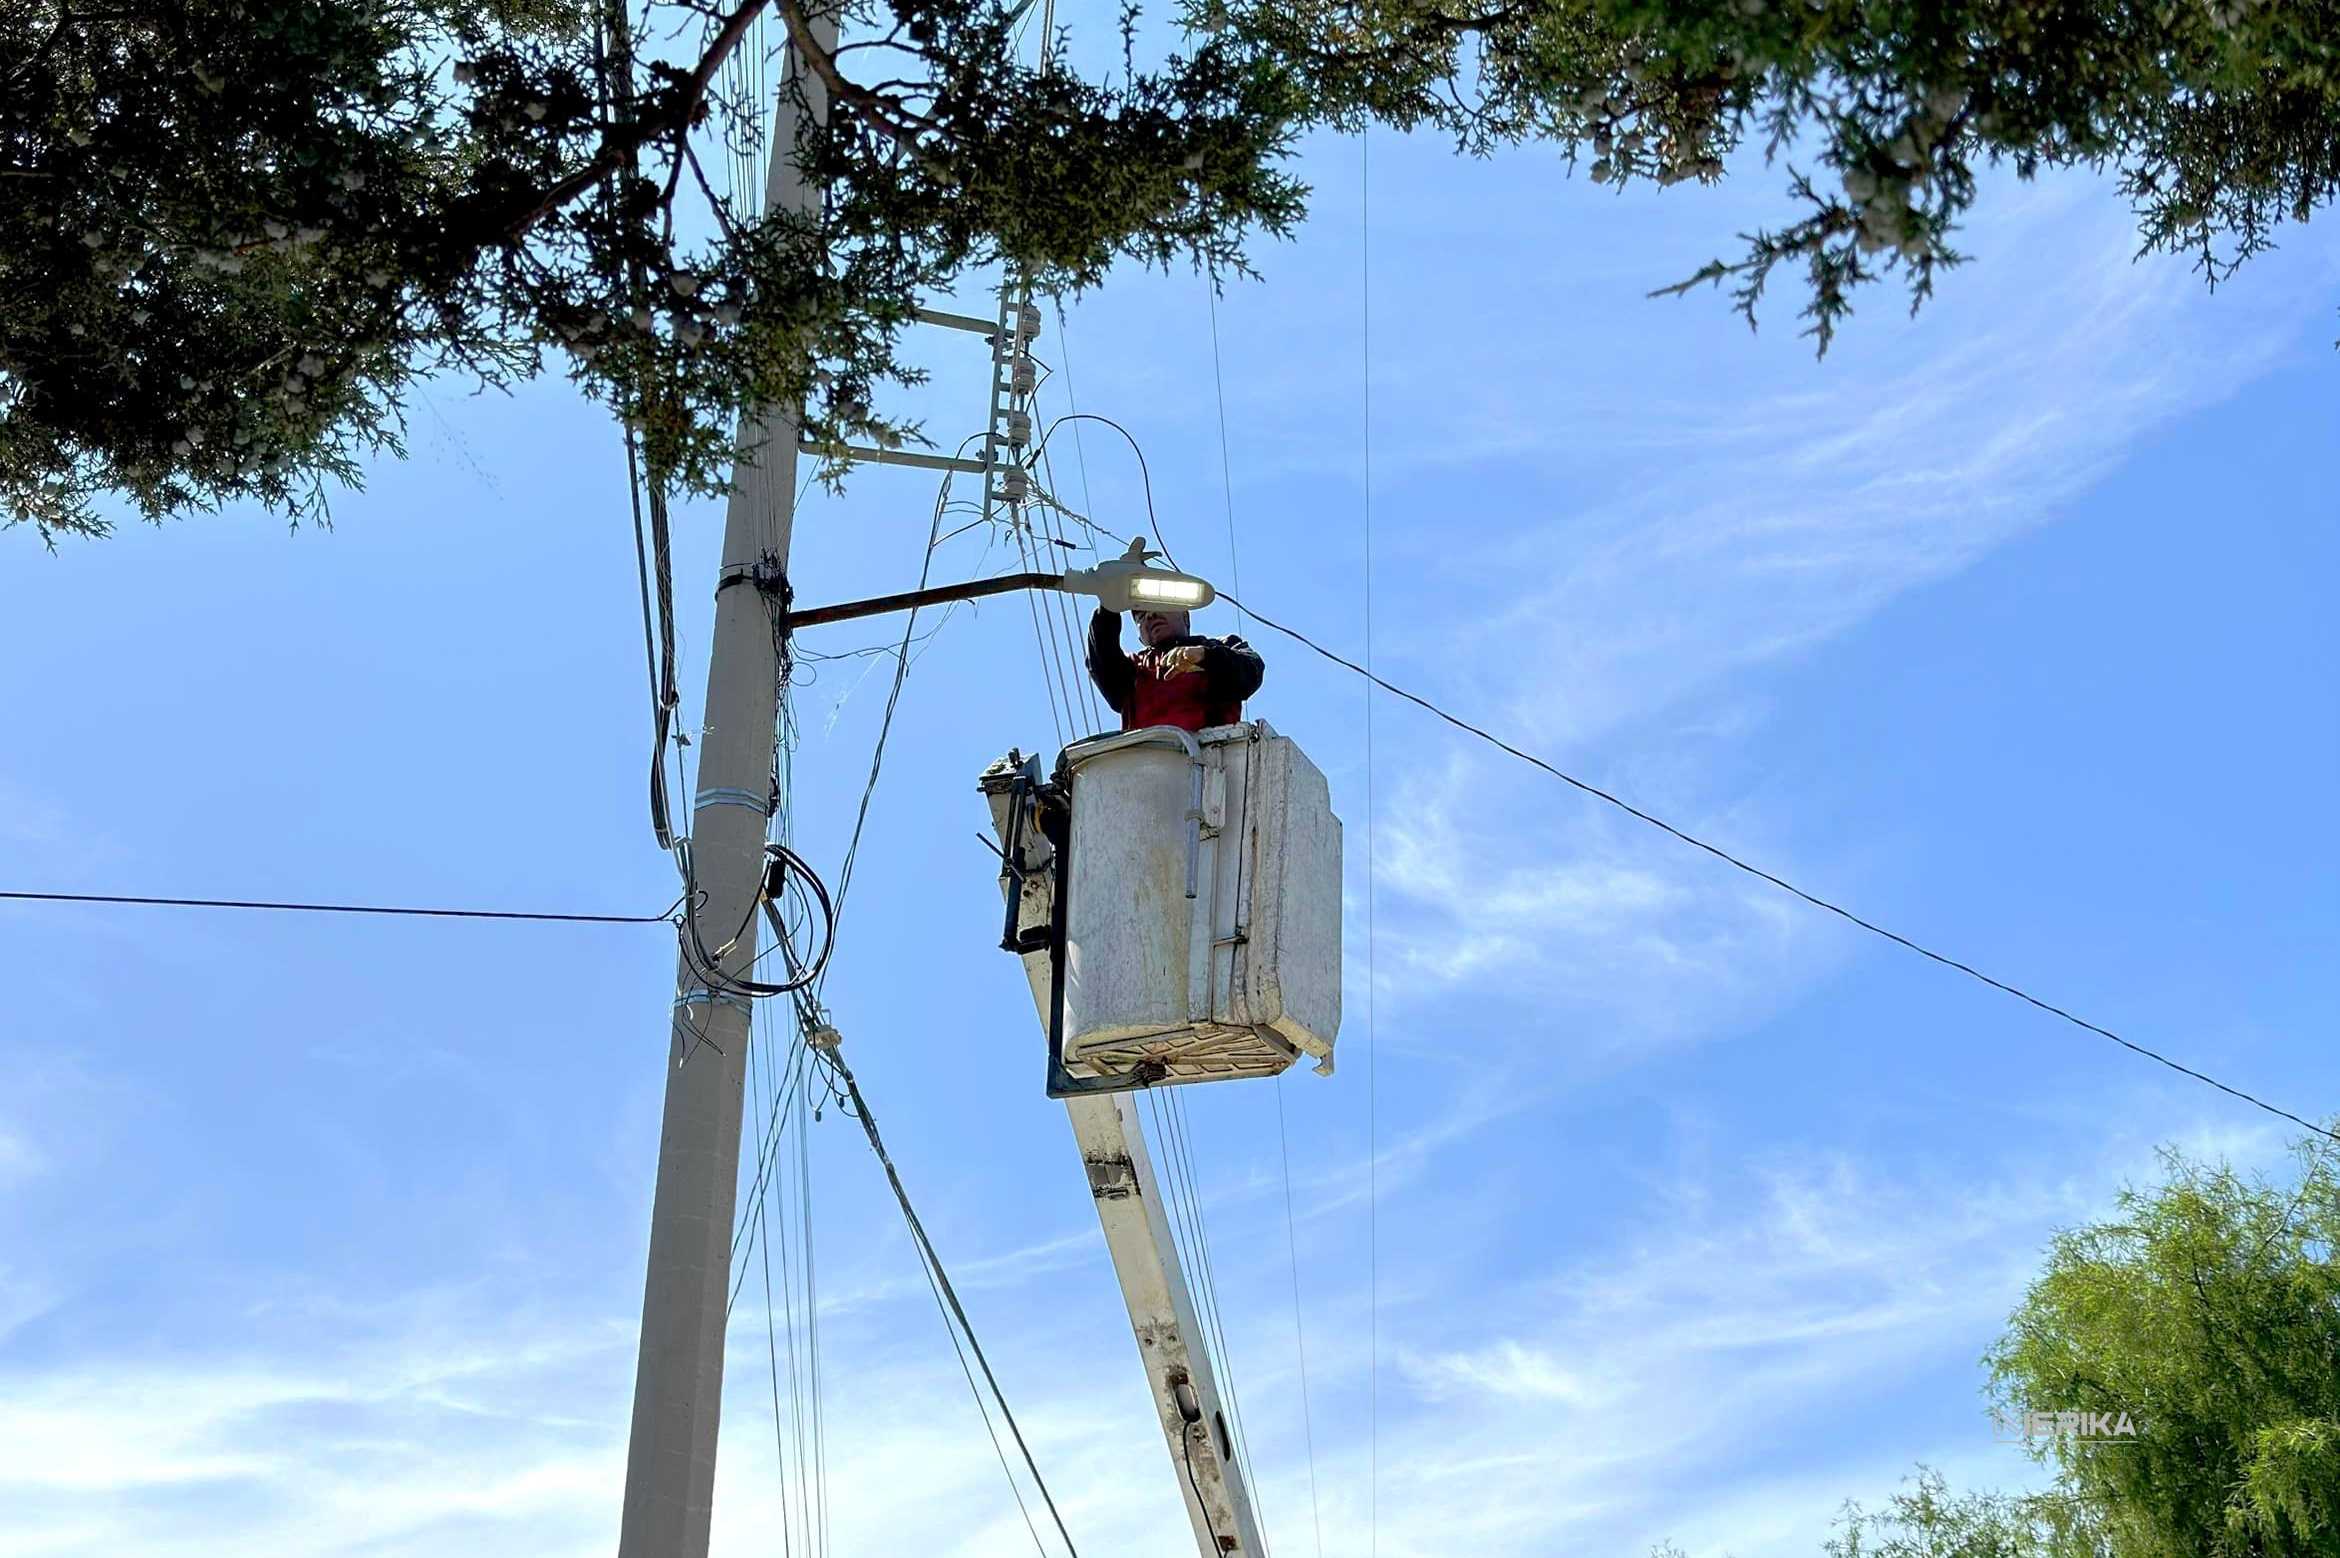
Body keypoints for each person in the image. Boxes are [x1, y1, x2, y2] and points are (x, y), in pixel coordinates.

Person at [1085, 603, 1265, 733]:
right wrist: (1109, 605)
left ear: (1185, 616)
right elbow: (1101, 658)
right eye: (1140, 615)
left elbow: (1251, 670)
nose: (1150, 615)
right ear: (1140, 638)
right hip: (1142, 769)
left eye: (1160, 604)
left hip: (1209, 766)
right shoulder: (1133, 669)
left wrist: (1205, 656)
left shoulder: (1221, 647)